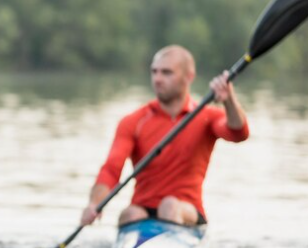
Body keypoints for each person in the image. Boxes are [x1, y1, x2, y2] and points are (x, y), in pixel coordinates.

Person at [80, 45, 248, 228]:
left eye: (166, 73)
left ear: (188, 77)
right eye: (154, 72)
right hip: (142, 211)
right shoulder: (133, 121)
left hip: (187, 212)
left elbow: (238, 133)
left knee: (169, 206)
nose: (158, 79)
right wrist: (95, 204)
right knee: (130, 213)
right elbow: (111, 170)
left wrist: (229, 100)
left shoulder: (207, 116)